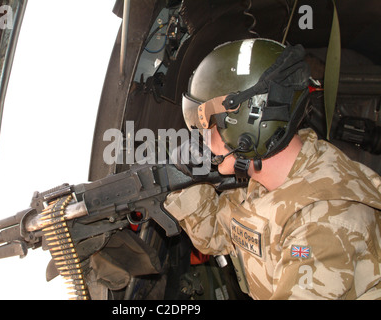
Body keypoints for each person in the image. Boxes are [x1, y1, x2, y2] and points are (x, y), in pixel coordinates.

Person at [163, 38, 381, 299]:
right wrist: (181, 182)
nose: (203, 136)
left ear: (248, 121)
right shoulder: (265, 177)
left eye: (206, 122)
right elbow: (217, 236)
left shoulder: (322, 223)